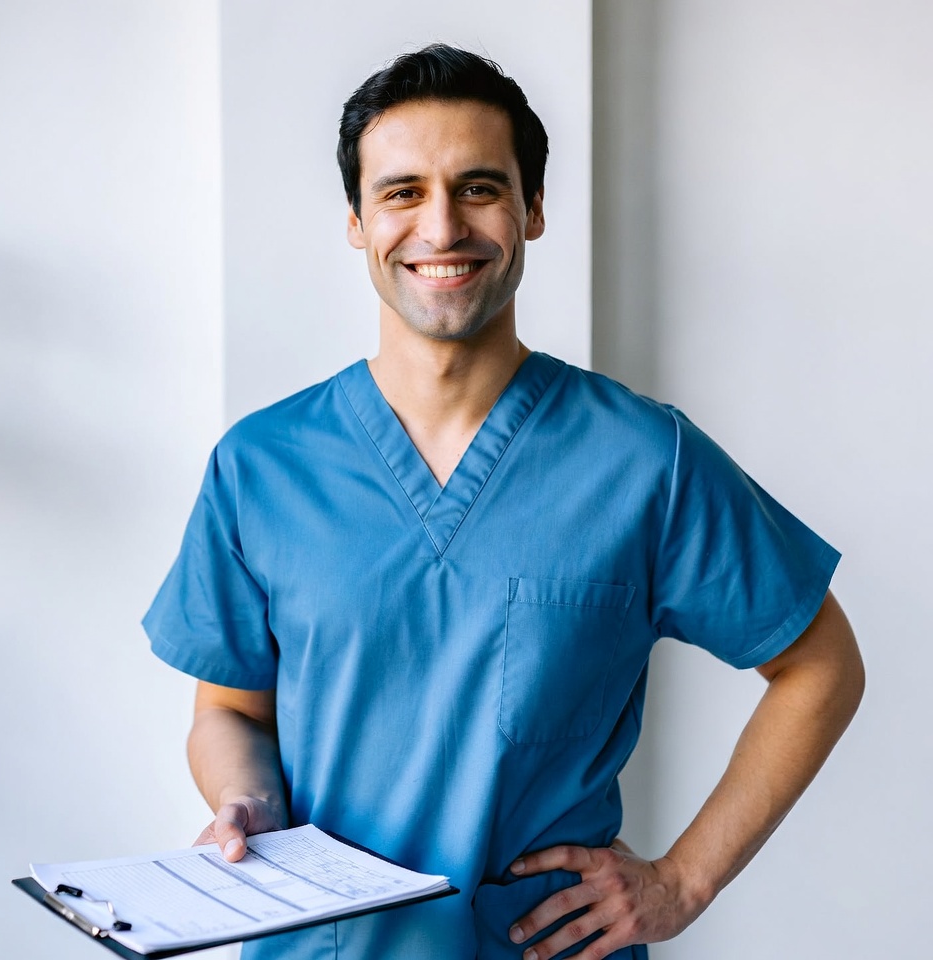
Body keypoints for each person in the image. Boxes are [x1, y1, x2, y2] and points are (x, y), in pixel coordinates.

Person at [143, 44, 864, 960]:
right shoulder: (261, 465)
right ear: (358, 222)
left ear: (532, 210)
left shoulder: (645, 459)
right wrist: (244, 802)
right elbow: (231, 713)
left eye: (478, 188)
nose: (441, 227)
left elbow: (821, 665)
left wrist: (683, 883)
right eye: (402, 192)